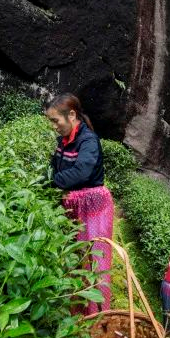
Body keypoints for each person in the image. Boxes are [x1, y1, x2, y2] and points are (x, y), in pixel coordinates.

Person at [46, 93, 114, 315]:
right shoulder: (62, 141)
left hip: (94, 207)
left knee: (94, 260)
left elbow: (82, 172)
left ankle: (97, 314)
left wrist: (52, 183)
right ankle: (77, 311)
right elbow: (57, 168)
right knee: (75, 259)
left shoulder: (88, 140)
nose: (54, 126)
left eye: (56, 120)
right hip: (73, 206)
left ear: (72, 115)